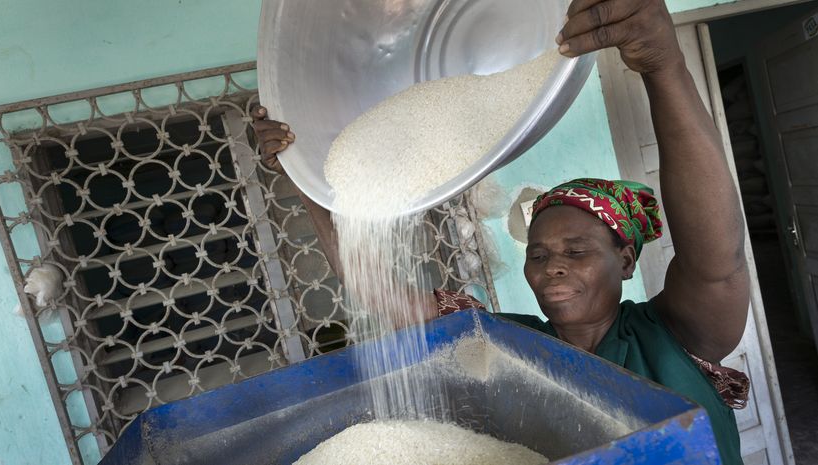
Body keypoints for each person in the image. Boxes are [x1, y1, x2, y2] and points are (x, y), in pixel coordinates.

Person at [251, 0, 750, 463]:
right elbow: (380, 292)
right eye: (537, 254)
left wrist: (664, 67)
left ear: (624, 259)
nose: (553, 264)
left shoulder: (670, 336)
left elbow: (715, 264)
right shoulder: (508, 344)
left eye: (576, 250)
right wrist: (309, 181)